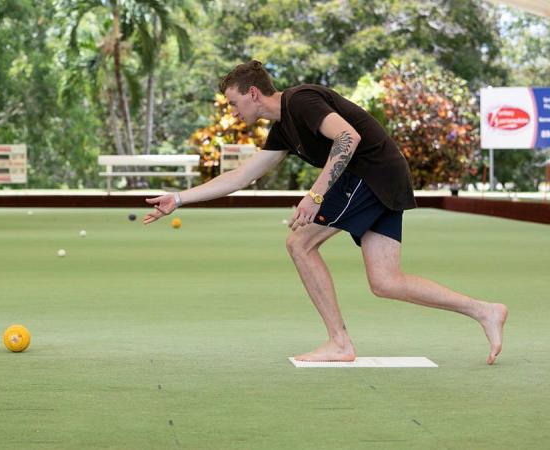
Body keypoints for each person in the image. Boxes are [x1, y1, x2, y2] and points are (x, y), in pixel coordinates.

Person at [144, 60, 508, 364]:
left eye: (234, 102)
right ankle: (484, 310)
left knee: (299, 243)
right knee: (385, 282)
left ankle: (339, 343)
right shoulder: (283, 129)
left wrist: (315, 196)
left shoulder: (300, 101)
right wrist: (178, 199)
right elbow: (241, 176)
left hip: (371, 172)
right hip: (384, 175)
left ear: (253, 92)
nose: (233, 111)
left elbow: (348, 138)